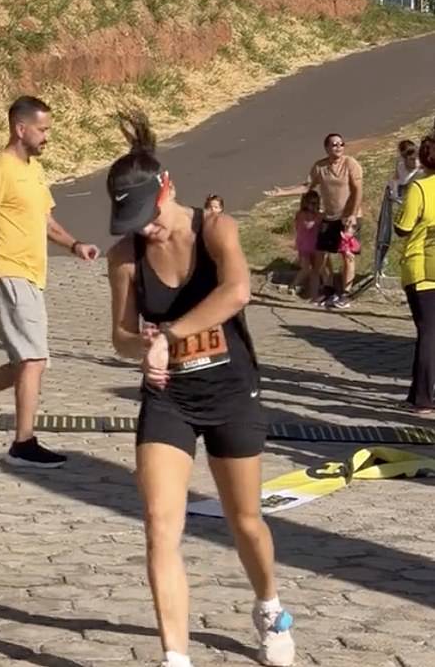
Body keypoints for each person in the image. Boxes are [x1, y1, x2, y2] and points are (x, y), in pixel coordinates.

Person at [106, 110, 295, 667]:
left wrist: (168, 332)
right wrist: (144, 349)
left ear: (169, 189)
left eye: (151, 216)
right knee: (160, 526)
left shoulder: (217, 229)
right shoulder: (125, 258)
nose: (147, 230)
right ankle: (175, 657)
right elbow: (118, 336)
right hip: (168, 399)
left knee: (245, 521)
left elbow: (238, 292)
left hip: (231, 392)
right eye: (134, 222)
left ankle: (268, 606)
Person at [0, 95, 100, 467]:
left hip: (30, 275)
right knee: (33, 359)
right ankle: (23, 443)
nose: (47, 137)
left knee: (25, 361)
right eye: (42, 130)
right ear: (20, 128)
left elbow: (44, 220)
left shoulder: (33, 171)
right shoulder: (1, 168)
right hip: (7, 270)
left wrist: (75, 244)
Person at [265, 133, 363, 309]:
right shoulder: (320, 167)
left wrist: (352, 214)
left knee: (346, 254)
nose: (338, 147)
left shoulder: (351, 164)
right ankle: (329, 288)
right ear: (326, 148)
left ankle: (345, 294)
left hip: (349, 216)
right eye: (334, 145)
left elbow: (358, 190)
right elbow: (306, 186)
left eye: (341, 144)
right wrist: (282, 192)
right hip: (330, 216)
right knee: (322, 254)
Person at [394, 134, 435, 415]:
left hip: (421, 268)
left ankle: (423, 398)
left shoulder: (420, 188)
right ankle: (416, 393)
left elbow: (404, 227)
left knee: (428, 333)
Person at [290, 190, 321, 296]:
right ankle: (293, 285)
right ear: (306, 203)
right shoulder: (301, 215)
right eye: (312, 203)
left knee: (317, 270)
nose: (314, 206)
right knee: (306, 268)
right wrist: (318, 217)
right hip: (305, 246)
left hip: (316, 246)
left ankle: (315, 292)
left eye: (316, 203)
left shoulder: (318, 215)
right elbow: (307, 225)